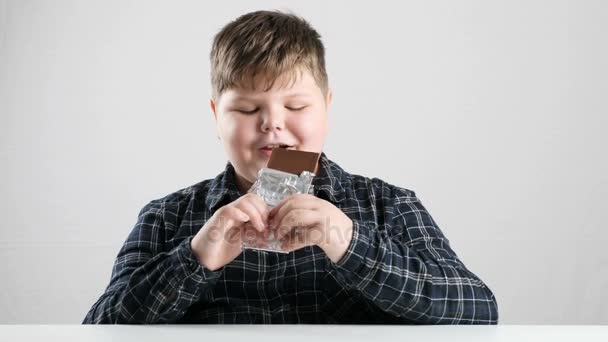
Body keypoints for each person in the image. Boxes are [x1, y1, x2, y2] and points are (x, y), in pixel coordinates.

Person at [83, 10, 498, 324]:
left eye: (296, 105)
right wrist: (194, 258)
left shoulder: (387, 205)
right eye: (247, 109)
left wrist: (352, 244)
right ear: (216, 117)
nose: (273, 123)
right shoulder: (166, 218)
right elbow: (97, 328)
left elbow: (479, 309)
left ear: (326, 109)